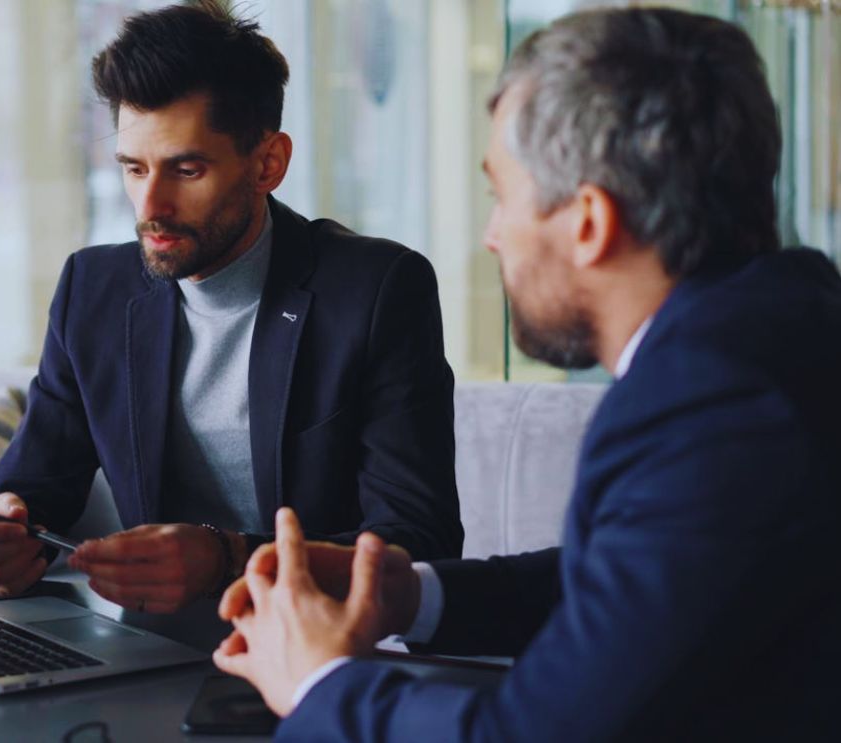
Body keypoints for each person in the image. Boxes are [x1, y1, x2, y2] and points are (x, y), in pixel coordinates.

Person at [214, 7, 841, 741]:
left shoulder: (715, 403)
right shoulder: (785, 327)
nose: (490, 236)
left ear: (586, 222)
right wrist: (407, 595)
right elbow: (637, 593)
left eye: (500, 195)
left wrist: (318, 682)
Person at [0, 0, 461, 615]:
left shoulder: (376, 291)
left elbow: (418, 544)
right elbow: (32, 485)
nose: (150, 206)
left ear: (267, 164)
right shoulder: (93, 288)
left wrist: (229, 558)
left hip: (318, 646)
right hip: (145, 645)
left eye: (185, 169)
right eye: (133, 169)